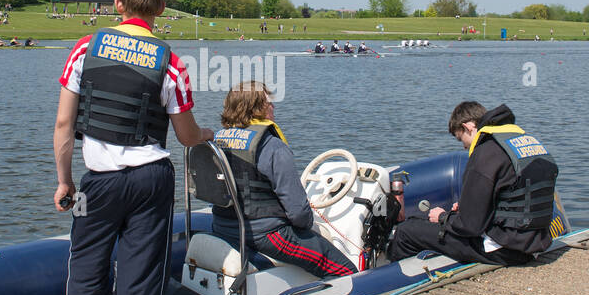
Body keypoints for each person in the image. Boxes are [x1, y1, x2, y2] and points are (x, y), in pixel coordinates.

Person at [52, 0, 215, 295]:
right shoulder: (171, 62)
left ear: (117, 4)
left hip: (97, 181)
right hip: (151, 180)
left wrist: (65, 182)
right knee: (141, 269)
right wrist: (207, 133)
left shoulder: (84, 49)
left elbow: (63, 124)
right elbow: (187, 137)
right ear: (160, 8)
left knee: (86, 262)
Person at [211, 82, 356, 279]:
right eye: (269, 103)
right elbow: (299, 214)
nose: (273, 107)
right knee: (345, 270)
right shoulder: (273, 147)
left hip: (222, 225)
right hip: (267, 234)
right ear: (257, 108)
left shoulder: (217, 142)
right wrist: (308, 229)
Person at [387, 101, 558, 266]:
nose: (464, 147)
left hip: (504, 249)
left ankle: (390, 286)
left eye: (460, 138)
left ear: (468, 127)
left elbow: (469, 227)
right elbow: (513, 198)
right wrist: (465, 207)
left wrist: (442, 217)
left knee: (406, 231)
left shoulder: (485, 152)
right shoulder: (526, 142)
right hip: (535, 243)